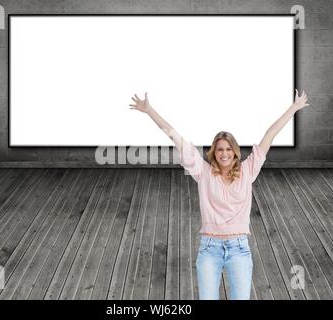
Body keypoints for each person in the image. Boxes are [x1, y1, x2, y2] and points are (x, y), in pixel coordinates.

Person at [128, 90, 309, 300]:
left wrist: (294, 108)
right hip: (209, 249)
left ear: (235, 153)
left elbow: (270, 135)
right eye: (220, 149)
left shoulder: (247, 171)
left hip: (239, 248)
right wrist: (149, 110)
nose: (224, 153)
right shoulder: (203, 172)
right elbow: (176, 138)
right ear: (214, 152)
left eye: (229, 149)